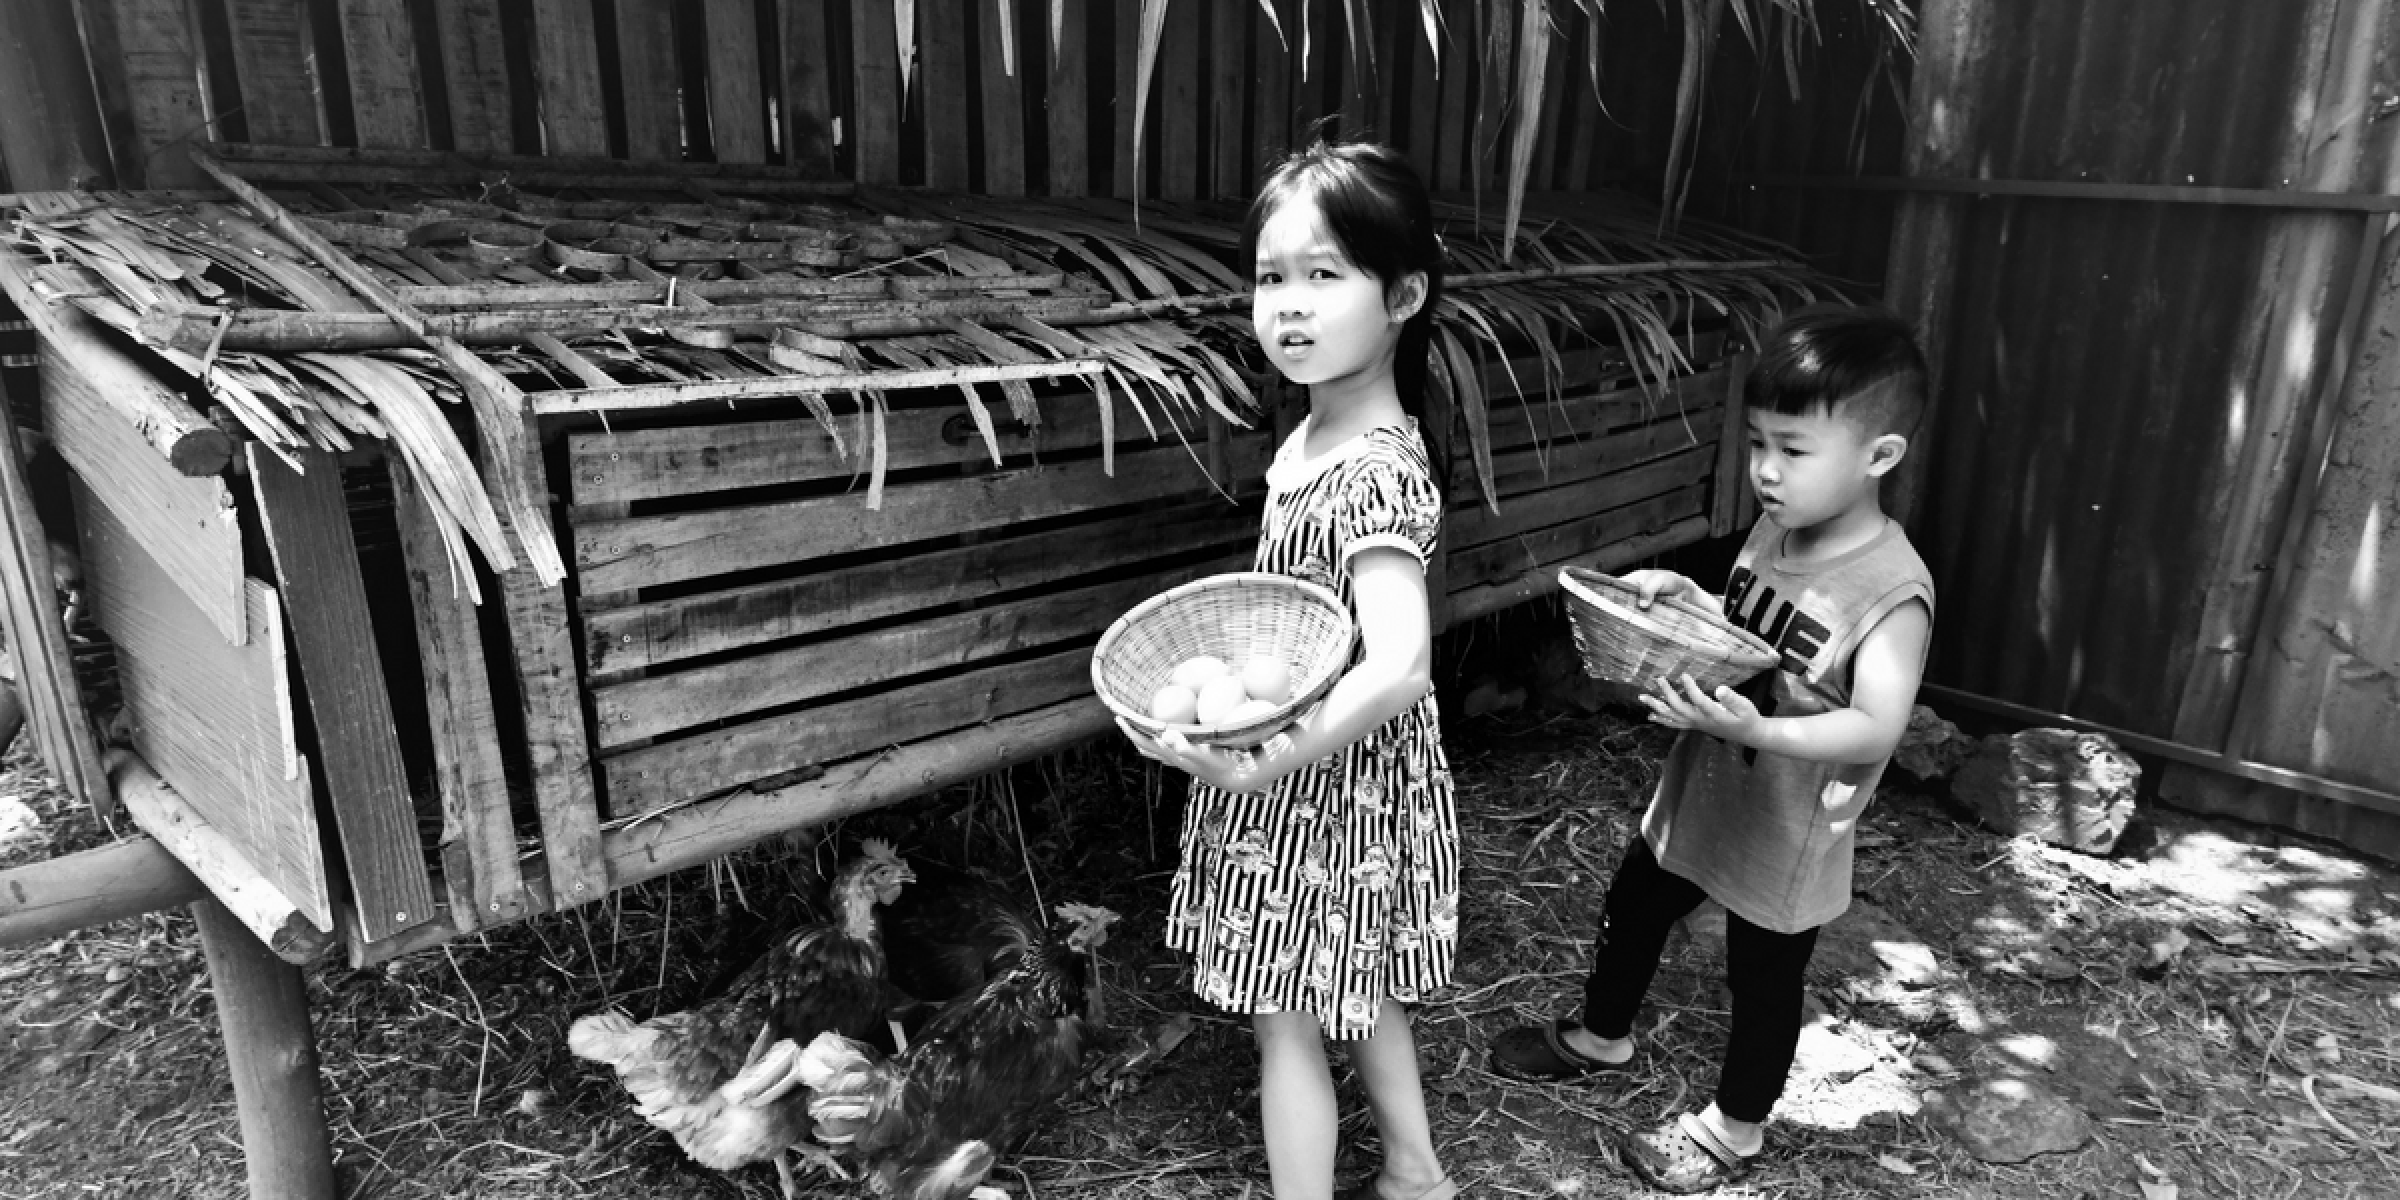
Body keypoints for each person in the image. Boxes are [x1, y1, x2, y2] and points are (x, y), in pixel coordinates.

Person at [1488, 307, 1936, 1194]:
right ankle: (1601, 1034)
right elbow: (1749, 631)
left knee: (1762, 978)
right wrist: (1686, 591)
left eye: (1794, 450)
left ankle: (1735, 1129)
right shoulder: (1777, 528)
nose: (1765, 470)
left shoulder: (1891, 590)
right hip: (1707, 786)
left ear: (1878, 457)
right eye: (1758, 441)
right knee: (1636, 900)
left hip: (1788, 821)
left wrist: (1757, 732)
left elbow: (1877, 725)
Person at [1116, 141, 1459, 1200]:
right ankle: (1413, 1171)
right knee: (1357, 989)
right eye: (1272, 277)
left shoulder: (1375, 472)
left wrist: (1266, 764)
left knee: (1287, 1023)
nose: (1289, 306)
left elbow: (1399, 665)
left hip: (1323, 785)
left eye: (1324, 275)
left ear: (1403, 294)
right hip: (1315, 760)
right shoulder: (1311, 435)